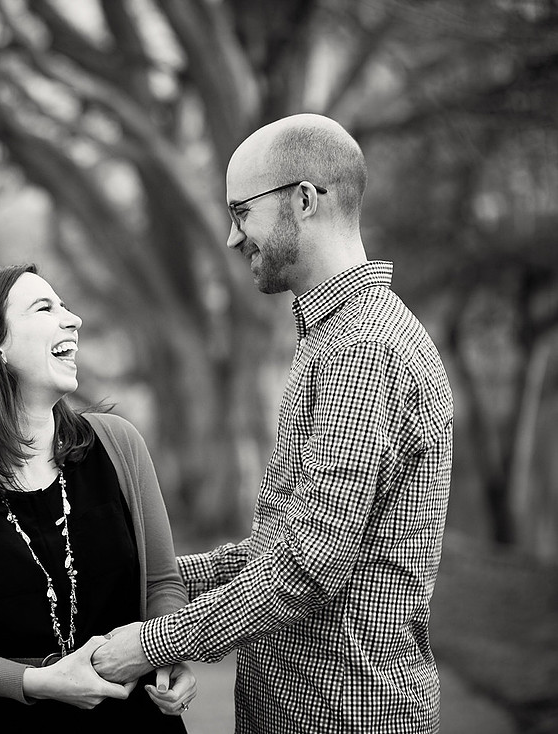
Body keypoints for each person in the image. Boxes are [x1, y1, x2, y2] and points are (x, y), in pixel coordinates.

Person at [93, 113, 455, 734]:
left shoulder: (363, 350)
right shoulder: (333, 340)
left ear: (304, 201)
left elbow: (305, 570)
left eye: (241, 213)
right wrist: (150, 577)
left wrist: (151, 644)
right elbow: (280, 547)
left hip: (345, 715)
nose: (233, 238)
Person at [0, 264, 196, 733]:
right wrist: (37, 681)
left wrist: (169, 654)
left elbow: (161, 584)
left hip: (135, 717)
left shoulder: (118, 444)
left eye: (64, 305)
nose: (73, 320)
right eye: (44, 308)